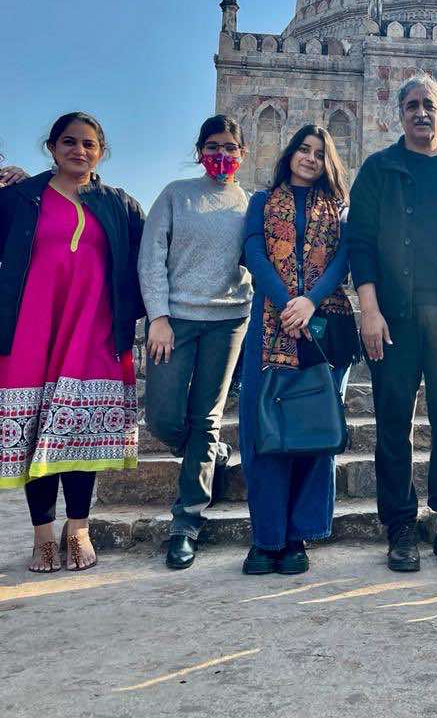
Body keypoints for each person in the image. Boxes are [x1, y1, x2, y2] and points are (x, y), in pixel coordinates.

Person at [347, 73, 437, 573]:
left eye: (429, 104)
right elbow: (358, 243)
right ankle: (401, 526)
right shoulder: (379, 170)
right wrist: (369, 308)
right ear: (398, 113)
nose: (421, 112)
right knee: (392, 422)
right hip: (394, 318)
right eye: (412, 105)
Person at [0, 112, 145, 572]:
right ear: (52, 146)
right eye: (68, 141)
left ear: (100, 151)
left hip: (94, 332)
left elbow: (153, 260)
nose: (78, 150)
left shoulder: (119, 205)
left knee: (80, 433)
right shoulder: (21, 198)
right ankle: (42, 535)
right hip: (31, 330)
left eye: (88, 143)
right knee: (35, 432)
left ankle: (77, 527)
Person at [238, 125, 359, 575]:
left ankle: (296, 537)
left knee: (314, 428)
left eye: (319, 153)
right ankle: (265, 538)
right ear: (289, 154)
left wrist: (309, 302)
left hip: (324, 326)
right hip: (272, 324)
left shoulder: (339, 210)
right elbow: (253, 251)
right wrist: (288, 301)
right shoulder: (262, 202)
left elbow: (344, 259)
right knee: (264, 429)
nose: (309, 158)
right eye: (303, 150)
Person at [138, 115, 253, 570]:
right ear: (200, 149)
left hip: (228, 321)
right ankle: (212, 454)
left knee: (207, 416)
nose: (221, 156)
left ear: (242, 154)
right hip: (176, 321)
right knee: (164, 418)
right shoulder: (175, 195)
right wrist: (159, 317)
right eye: (213, 146)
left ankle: (186, 523)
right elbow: (151, 257)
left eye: (229, 147)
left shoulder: (250, 205)